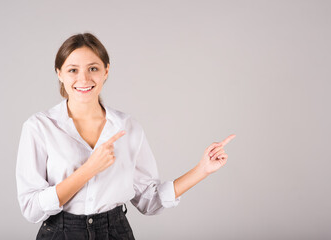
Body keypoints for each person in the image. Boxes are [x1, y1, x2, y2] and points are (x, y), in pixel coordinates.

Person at [16, 32, 236, 240]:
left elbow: (150, 201)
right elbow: (31, 208)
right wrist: (88, 170)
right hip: (60, 233)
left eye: (93, 68)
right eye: (73, 70)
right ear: (59, 73)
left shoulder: (127, 127)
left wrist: (202, 169)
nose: (83, 78)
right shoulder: (39, 127)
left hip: (115, 232)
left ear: (106, 71)